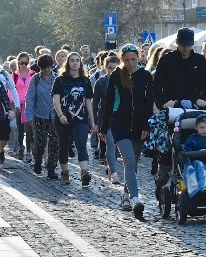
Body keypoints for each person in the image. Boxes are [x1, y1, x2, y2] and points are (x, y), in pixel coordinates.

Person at [153, 27, 206, 193]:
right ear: (177, 43)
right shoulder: (166, 60)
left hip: (193, 109)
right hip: (173, 109)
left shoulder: (199, 60)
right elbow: (156, 85)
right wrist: (165, 102)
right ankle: (162, 175)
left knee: (195, 140)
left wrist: (203, 99)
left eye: (188, 45)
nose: (186, 48)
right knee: (169, 147)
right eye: (183, 45)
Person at [101, 45, 154, 219]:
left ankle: (125, 195)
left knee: (133, 163)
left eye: (133, 59)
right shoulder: (117, 75)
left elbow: (148, 103)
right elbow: (109, 102)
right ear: (122, 60)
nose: (130, 63)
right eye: (127, 60)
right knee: (129, 160)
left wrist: (147, 127)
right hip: (120, 124)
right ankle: (136, 200)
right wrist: (103, 128)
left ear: (139, 58)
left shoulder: (145, 76)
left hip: (139, 126)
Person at [52, 51, 96, 187]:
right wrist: (60, 115)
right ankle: (64, 172)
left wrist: (92, 121)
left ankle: (84, 172)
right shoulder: (60, 80)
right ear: (68, 63)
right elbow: (56, 99)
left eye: (77, 60)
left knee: (81, 144)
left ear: (80, 63)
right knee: (64, 145)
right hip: (63, 118)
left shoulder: (85, 80)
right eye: (72, 60)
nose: (75, 63)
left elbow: (88, 101)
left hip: (81, 118)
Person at [25, 54, 59, 179]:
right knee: (40, 142)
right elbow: (30, 97)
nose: (47, 70)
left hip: (55, 116)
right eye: (44, 67)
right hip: (39, 115)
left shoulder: (57, 78)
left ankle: (51, 168)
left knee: (54, 143)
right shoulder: (36, 79)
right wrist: (29, 115)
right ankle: (38, 160)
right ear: (40, 67)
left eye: (49, 67)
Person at [94, 55, 121, 184]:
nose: (112, 70)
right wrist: (93, 121)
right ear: (105, 68)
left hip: (121, 116)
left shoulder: (125, 80)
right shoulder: (101, 81)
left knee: (118, 147)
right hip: (106, 116)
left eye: (115, 68)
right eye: (110, 68)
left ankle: (111, 165)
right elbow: (95, 103)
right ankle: (114, 171)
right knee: (110, 143)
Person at [13, 52, 36, 162]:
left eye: (26, 63)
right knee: (20, 129)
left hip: (29, 105)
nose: (23, 65)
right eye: (21, 63)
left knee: (29, 128)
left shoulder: (33, 74)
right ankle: (20, 148)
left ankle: (28, 151)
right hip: (18, 105)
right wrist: (14, 102)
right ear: (18, 62)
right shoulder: (14, 75)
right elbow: (10, 90)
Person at [0, 79, 15, 163]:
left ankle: (0, 150)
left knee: (5, 134)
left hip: (1, 115)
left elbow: (4, 97)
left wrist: (9, 110)